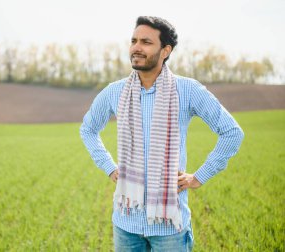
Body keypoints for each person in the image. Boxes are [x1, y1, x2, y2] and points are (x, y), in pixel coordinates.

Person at [80, 16, 244, 251]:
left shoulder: (187, 90)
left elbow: (231, 132)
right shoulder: (115, 92)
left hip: (169, 229)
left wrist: (198, 177)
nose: (136, 47)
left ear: (165, 50)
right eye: (134, 40)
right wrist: (109, 167)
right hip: (126, 224)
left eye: (146, 42)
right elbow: (88, 129)